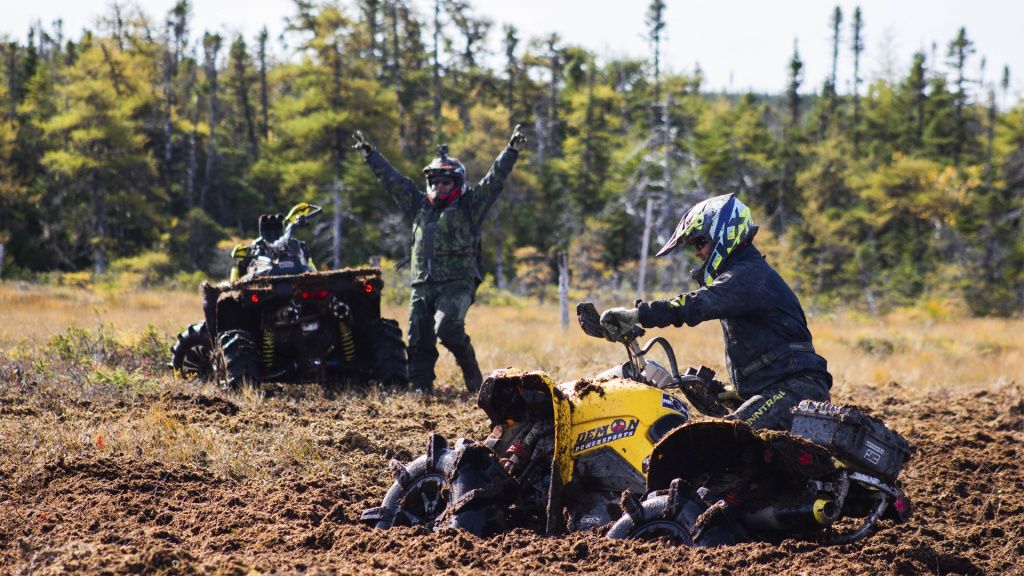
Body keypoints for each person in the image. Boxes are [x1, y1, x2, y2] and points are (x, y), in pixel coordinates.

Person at [600, 193, 832, 431]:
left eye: (700, 243)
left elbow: (698, 304)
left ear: (724, 234)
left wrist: (638, 315)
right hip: (787, 389)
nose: (697, 253)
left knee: (721, 440)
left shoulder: (748, 276)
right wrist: (739, 394)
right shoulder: (748, 275)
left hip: (795, 391)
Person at [352, 126, 527, 394]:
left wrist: (510, 151)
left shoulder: (470, 206)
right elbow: (392, 180)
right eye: (434, 182)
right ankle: (421, 388)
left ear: (457, 183)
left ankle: (473, 378)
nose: (438, 186)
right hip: (422, 283)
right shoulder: (418, 205)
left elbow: (494, 181)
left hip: (457, 282)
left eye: (445, 182)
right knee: (419, 338)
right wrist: (370, 154)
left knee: (447, 328)